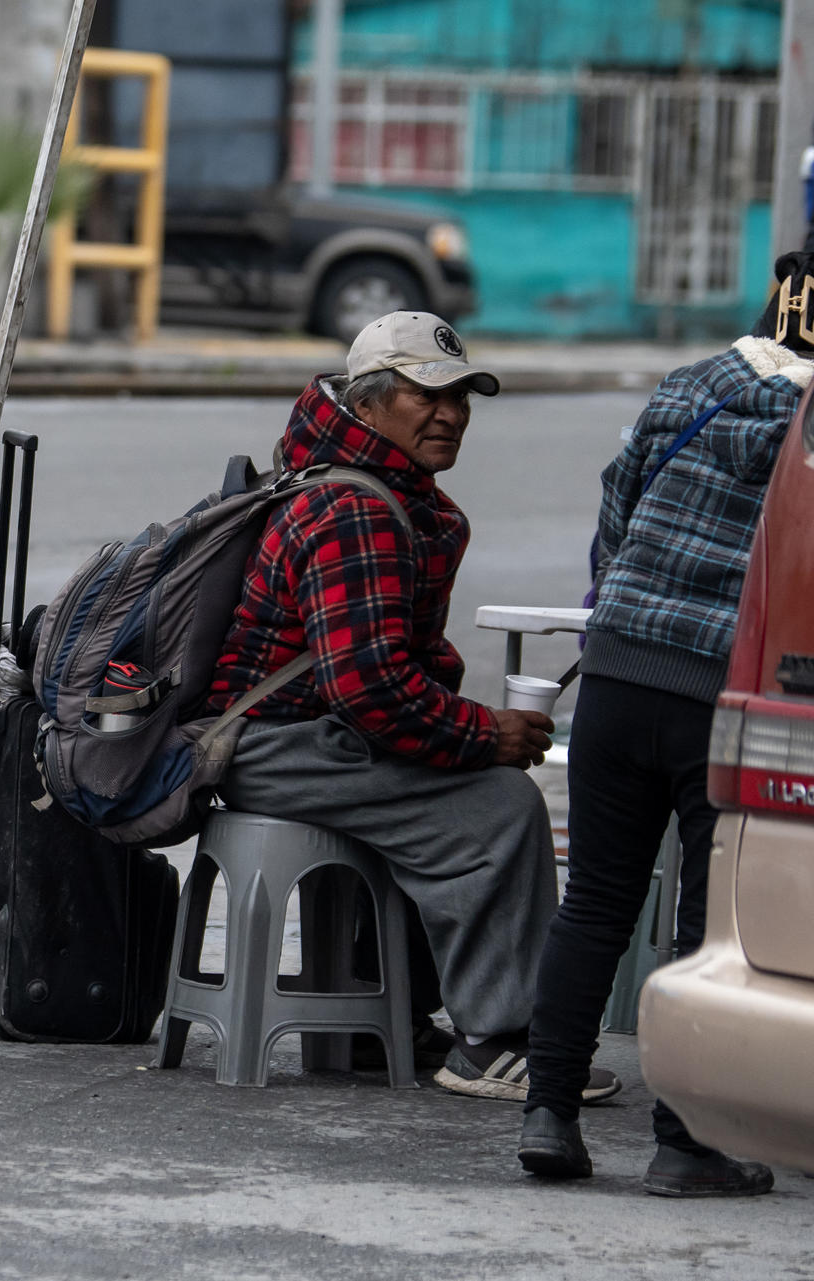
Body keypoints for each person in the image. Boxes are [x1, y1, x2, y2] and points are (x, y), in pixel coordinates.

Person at [206, 311, 620, 1103]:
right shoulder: (354, 508)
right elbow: (369, 691)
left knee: (453, 791)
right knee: (500, 807)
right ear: (366, 406)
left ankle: (379, 1014)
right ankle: (497, 1040)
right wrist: (482, 734)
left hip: (301, 734)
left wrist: (456, 731)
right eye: (426, 396)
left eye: (462, 397)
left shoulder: (369, 486)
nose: (451, 414)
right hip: (277, 745)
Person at [516, 255, 814, 1195]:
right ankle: (686, 1141)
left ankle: (549, 1112)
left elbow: (616, 520)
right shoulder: (810, 426)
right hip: (722, 699)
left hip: (616, 673)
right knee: (707, 922)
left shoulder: (692, 386)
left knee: (597, 900)